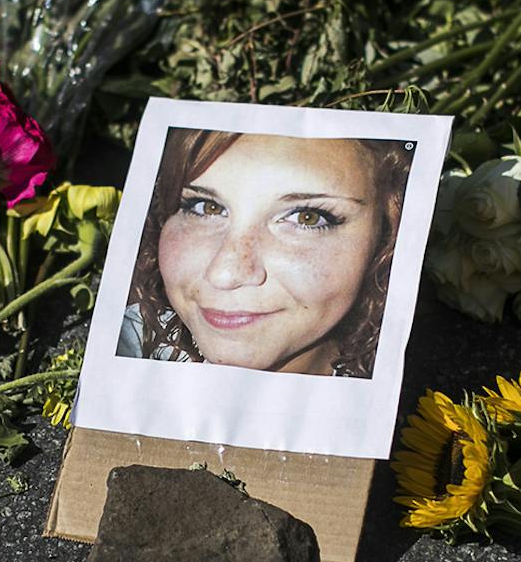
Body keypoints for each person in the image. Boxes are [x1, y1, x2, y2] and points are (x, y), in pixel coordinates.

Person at [119, 129, 411, 378]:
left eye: (306, 217)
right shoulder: (127, 344)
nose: (225, 274)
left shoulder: (422, 410)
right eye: (205, 207)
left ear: (388, 233)